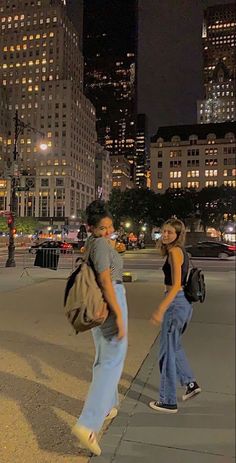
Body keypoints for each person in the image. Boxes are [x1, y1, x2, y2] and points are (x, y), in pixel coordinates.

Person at [72, 200, 128, 455]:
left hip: (97, 302)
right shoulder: (100, 245)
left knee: (103, 358)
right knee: (112, 360)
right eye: (102, 227)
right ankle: (88, 424)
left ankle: (108, 405)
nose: (108, 230)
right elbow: (106, 280)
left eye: (109, 226)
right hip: (109, 298)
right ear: (91, 227)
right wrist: (117, 313)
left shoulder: (95, 244)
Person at [149, 218, 201, 414]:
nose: (165, 235)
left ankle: (168, 400)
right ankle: (190, 383)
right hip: (183, 304)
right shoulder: (182, 252)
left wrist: (161, 309)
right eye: (164, 231)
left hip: (175, 303)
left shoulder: (174, 252)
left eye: (170, 232)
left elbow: (177, 285)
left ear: (178, 235)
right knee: (175, 346)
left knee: (166, 353)